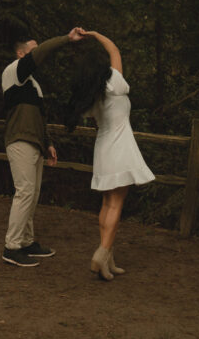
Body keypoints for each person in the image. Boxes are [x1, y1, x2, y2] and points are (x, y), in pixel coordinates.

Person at [65, 28, 154, 280]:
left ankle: (108, 258)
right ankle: (102, 253)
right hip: (119, 146)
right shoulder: (114, 81)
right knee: (116, 203)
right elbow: (114, 50)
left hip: (103, 147)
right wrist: (95, 34)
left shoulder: (90, 96)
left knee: (106, 203)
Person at [1, 27, 83, 267]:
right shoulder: (14, 72)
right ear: (20, 54)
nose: (37, 54)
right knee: (25, 191)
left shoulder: (33, 84)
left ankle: (26, 242)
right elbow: (40, 54)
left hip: (35, 142)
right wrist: (66, 39)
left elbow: (39, 117)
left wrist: (48, 143)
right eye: (32, 50)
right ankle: (11, 246)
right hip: (19, 140)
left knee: (32, 194)